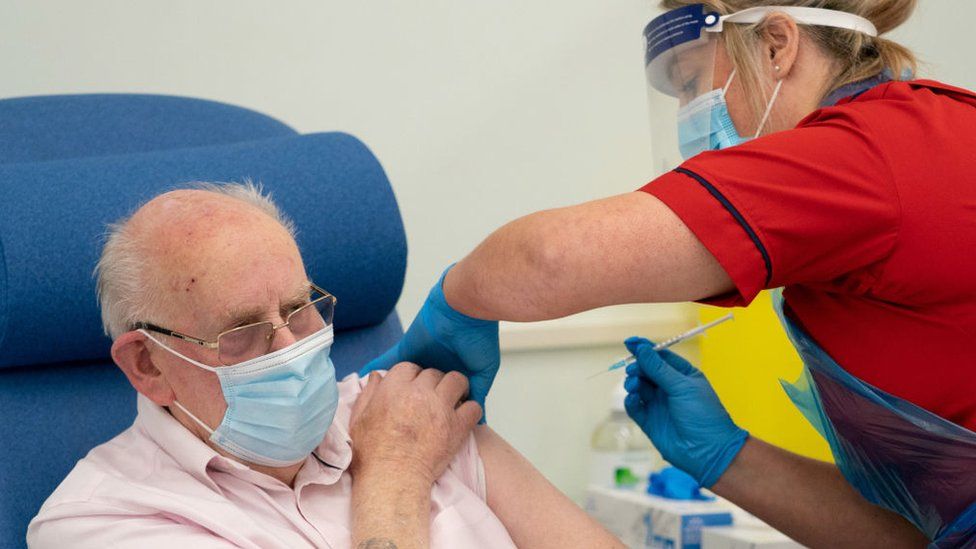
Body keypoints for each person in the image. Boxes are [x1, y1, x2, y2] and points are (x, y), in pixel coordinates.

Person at [362, 1, 976, 546]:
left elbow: (546, 258)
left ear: (775, 45)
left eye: (689, 84)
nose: (688, 115)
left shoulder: (859, 158)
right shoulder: (923, 134)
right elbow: (916, 533)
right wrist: (728, 458)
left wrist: (459, 300)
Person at [26, 183, 622, 548]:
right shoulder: (99, 523)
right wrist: (393, 476)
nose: (290, 348)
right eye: (245, 332)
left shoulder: (405, 409)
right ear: (148, 364)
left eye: (299, 309)